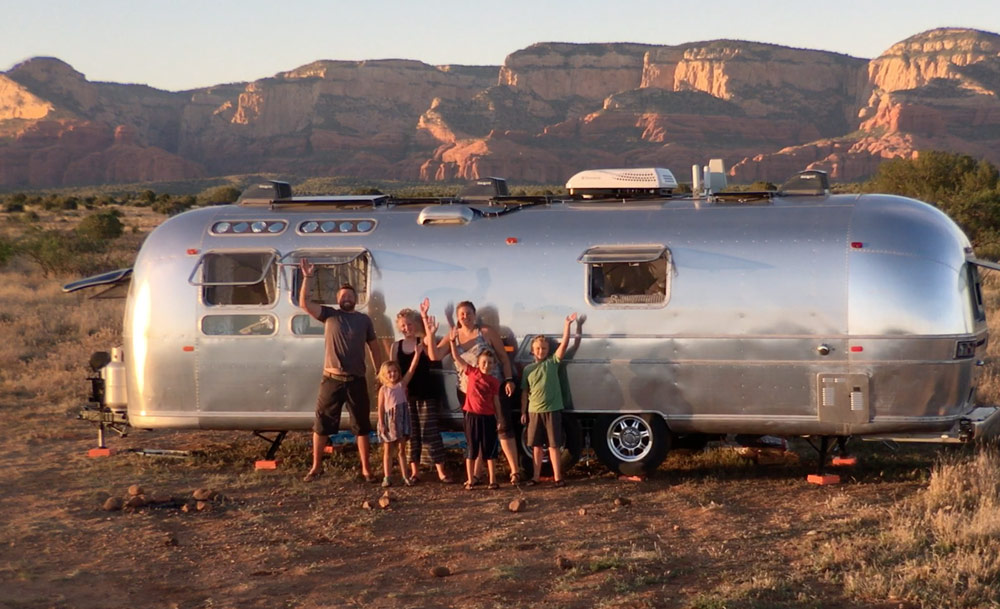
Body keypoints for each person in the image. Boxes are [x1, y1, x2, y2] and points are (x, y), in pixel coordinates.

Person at [299, 258, 384, 483]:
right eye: (342, 296)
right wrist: (307, 277)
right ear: (338, 300)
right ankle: (316, 467)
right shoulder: (329, 315)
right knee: (321, 425)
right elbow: (305, 304)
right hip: (331, 379)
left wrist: (380, 373)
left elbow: (374, 348)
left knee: (362, 426)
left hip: (356, 380)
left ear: (356, 299)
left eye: (350, 295)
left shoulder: (364, 320)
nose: (346, 298)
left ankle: (366, 469)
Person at [433, 300, 522, 484]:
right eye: (462, 314)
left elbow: (504, 358)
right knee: (476, 432)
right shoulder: (453, 336)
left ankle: (514, 471)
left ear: (475, 315)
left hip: (493, 389)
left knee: (503, 427)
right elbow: (435, 356)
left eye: (468, 313)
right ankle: (477, 474)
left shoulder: (486, 332)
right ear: (458, 318)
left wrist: (508, 380)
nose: (465, 317)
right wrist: (429, 331)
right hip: (467, 392)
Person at [390, 302, 454, 483]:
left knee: (431, 432)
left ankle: (441, 471)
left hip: (427, 393)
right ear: (399, 327)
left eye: (409, 324)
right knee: (412, 434)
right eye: (403, 325)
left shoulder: (422, 342)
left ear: (415, 325)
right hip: (406, 395)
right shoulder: (396, 346)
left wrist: (425, 317)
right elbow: (392, 371)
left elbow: (431, 342)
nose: (406, 328)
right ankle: (415, 471)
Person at [521, 313, 579, 487]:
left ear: (548, 351)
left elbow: (566, 344)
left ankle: (558, 477)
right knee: (536, 447)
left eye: (544, 348)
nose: (541, 351)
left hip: (552, 410)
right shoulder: (527, 369)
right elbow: (525, 392)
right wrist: (523, 411)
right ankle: (536, 477)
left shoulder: (552, 363)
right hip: (534, 411)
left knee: (554, 446)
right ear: (532, 350)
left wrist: (567, 325)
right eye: (538, 348)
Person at [449, 328, 501, 490]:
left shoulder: (494, 382)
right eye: (484, 362)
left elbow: (496, 401)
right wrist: (452, 342)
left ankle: (492, 479)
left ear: (493, 365)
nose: (487, 365)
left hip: (488, 417)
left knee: (489, 450)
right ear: (478, 363)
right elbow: (457, 357)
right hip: (472, 416)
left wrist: (499, 418)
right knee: (472, 448)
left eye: (490, 363)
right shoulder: (472, 372)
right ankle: (470, 479)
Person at [376, 349, 421, 488]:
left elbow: (412, 370)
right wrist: (382, 423)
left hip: (402, 420)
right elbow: (381, 408)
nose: (392, 374)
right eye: (389, 372)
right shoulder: (383, 390)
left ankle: (405, 476)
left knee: (402, 450)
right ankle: (387, 476)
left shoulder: (402, 385)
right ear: (384, 374)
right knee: (388, 450)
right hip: (390, 421)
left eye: (395, 371)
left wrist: (417, 354)